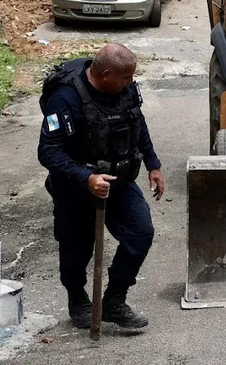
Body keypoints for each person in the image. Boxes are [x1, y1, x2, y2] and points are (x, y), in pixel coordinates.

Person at [38, 44, 164, 332]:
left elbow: (138, 122)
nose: (131, 83)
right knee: (77, 249)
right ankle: (78, 299)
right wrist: (85, 178)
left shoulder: (125, 89)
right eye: (126, 78)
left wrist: (153, 164)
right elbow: (48, 152)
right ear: (106, 75)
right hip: (76, 188)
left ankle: (114, 300)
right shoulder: (65, 99)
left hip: (119, 181)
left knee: (140, 233)